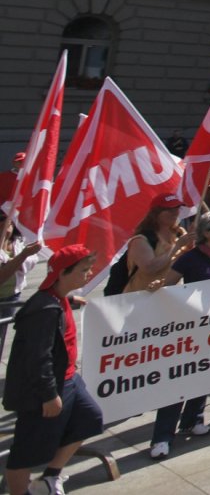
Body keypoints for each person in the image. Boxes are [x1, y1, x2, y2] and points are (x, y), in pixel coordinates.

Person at [3, 244, 101, 495]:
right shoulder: (44, 309)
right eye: (83, 270)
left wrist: (69, 299)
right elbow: (38, 358)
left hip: (68, 380)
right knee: (25, 452)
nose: (88, 274)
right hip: (45, 389)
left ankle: (50, 477)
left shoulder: (56, 299)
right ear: (62, 274)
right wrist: (48, 395)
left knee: (90, 419)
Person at [149, 209, 210, 459]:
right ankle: (162, 436)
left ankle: (194, 418)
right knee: (180, 379)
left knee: (206, 373)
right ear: (208, 232)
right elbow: (169, 285)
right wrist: (158, 288)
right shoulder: (190, 258)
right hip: (190, 327)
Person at [105, 193, 192, 295]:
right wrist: (177, 247)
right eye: (169, 209)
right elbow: (149, 268)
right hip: (140, 299)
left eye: (177, 208)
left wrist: (192, 241)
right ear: (156, 213)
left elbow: (187, 261)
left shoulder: (179, 233)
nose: (174, 213)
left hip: (169, 298)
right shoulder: (141, 240)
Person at [0, 209, 42, 355]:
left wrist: (14, 261)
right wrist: (21, 257)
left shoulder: (18, 240)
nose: (6, 223)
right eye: (2, 219)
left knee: (2, 335)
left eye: (8, 219)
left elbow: (32, 260)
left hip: (11, 296)